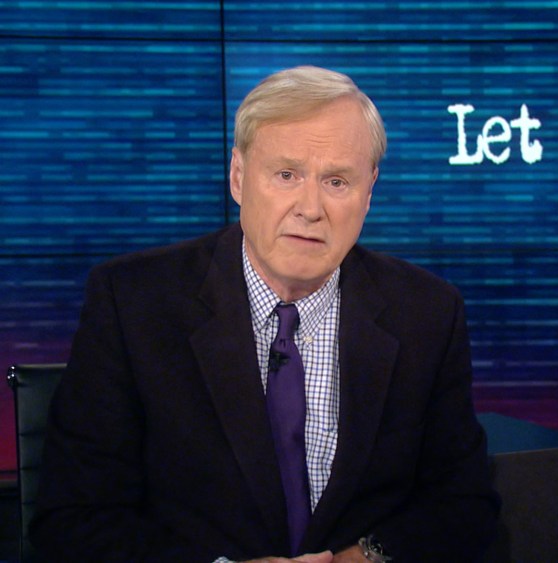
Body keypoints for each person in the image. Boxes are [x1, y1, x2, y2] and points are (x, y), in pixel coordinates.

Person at [31, 65, 500, 562]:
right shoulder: (134, 304)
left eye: (337, 181)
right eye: (286, 175)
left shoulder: (426, 313)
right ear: (238, 177)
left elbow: (463, 505)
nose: (310, 208)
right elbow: (73, 521)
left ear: (369, 193)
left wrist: (364, 558)